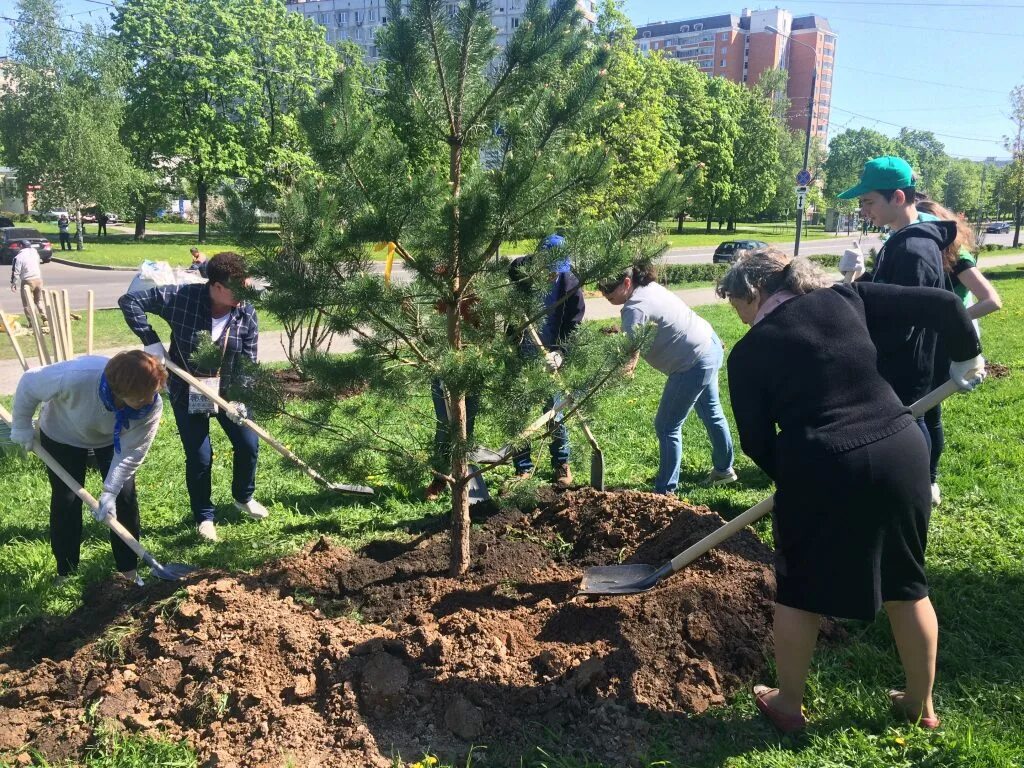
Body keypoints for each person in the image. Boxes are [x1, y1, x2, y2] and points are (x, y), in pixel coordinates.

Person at [716, 249, 984, 734]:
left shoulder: (749, 353)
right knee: (907, 584)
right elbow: (946, 306)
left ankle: (788, 704)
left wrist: (799, 477)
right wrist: (968, 357)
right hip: (901, 448)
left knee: (799, 590)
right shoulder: (847, 297)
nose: (742, 321)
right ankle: (919, 705)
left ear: (754, 293)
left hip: (819, 460)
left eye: (739, 308)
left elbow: (756, 441)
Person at [118, 251, 264, 542]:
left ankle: (242, 497)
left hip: (228, 393)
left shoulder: (246, 312)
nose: (244, 295)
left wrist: (241, 398)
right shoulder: (182, 298)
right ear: (217, 286)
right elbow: (130, 301)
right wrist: (150, 340)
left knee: (248, 445)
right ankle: (204, 516)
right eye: (237, 288)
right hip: (189, 390)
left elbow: (248, 360)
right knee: (200, 457)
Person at [837, 156, 955, 469]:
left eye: (869, 201)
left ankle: (919, 486)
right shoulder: (902, 241)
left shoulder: (913, 250)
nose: (864, 210)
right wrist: (860, 277)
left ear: (898, 197)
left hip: (904, 367)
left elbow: (903, 322)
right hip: (901, 364)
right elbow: (889, 296)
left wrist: (858, 336)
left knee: (911, 426)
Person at [9, 351, 166, 586]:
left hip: (111, 441)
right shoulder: (77, 377)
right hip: (61, 433)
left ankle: (129, 572)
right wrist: (21, 426)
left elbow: (132, 451)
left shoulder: (150, 404)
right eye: (141, 397)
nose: (149, 400)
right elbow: (30, 382)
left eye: (152, 394)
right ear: (119, 392)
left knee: (124, 497)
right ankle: (66, 572)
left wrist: (110, 490)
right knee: (67, 499)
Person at [599, 263, 735, 493]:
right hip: (709, 344)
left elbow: (629, 356)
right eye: (602, 289)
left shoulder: (636, 307)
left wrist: (609, 377)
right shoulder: (649, 287)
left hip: (691, 363)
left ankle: (665, 492)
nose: (605, 295)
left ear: (627, 282)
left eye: (610, 290)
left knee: (666, 426)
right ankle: (723, 470)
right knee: (711, 411)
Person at [914, 197, 1002, 506]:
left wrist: (952, 319)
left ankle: (929, 480)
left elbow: (991, 299)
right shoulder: (918, 251)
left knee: (927, 411)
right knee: (920, 409)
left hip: (942, 343)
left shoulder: (955, 255)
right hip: (921, 339)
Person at [507, 234, 584, 488]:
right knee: (519, 409)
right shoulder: (522, 269)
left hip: (550, 352)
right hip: (521, 349)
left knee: (554, 409)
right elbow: (510, 270)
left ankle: (562, 463)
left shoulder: (571, 284)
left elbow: (573, 325)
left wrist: (560, 353)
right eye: (547, 269)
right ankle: (523, 467)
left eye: (555, 271)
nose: (551, 276)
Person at [10, 242, 46, 329]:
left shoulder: (18, 257)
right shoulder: (35, 253)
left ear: (21, 246)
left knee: (27, 304)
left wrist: (13, 283)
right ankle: (46, 319)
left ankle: (32, 323)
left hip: (27, 281)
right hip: (38, 279)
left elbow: (15, 272)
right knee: (39, 301)